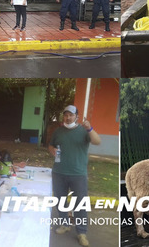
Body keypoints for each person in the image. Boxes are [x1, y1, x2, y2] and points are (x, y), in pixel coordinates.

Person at [48, 105, 101, 247]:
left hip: (78, 173)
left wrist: (89, 128)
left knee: (80, 204)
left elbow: (97, 141)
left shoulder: (83, 131)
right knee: (60, 201)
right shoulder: (58, 131)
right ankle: (65, 224)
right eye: (65, 115)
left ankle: (82, 232)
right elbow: (51, 145)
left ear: (76, 116)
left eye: (71, 115)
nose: (68, 117)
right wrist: (53, 151)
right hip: (59, 172)